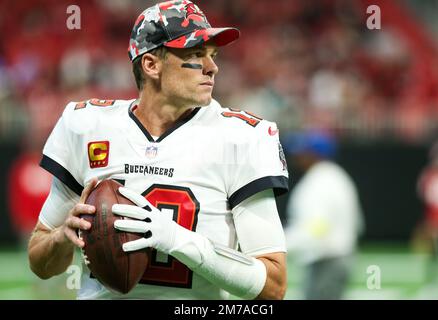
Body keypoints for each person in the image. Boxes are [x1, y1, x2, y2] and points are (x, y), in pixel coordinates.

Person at [27, 0, 289, 300]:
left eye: (213, 55)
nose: (212, 66)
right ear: (151, 64)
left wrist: (177, 239)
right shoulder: (87, 126)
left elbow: (273, 287)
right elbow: (40, 261)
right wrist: (63, 237)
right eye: (195, 54)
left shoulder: (242, 137)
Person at [283, 130, 363, 300]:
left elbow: (316, 228)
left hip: (327, 260)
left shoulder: (321, 182)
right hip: (335, 257)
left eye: (303, 152)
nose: (297, 157)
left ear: (314, 154)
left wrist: (280, 246)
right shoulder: (335, 176)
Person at [415, 137, 438, 296]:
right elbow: (425, 196)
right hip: (435, 219)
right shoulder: (429, 174)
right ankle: (433, 279)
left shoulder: (429, 174)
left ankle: (434, 279)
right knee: (434, 252)